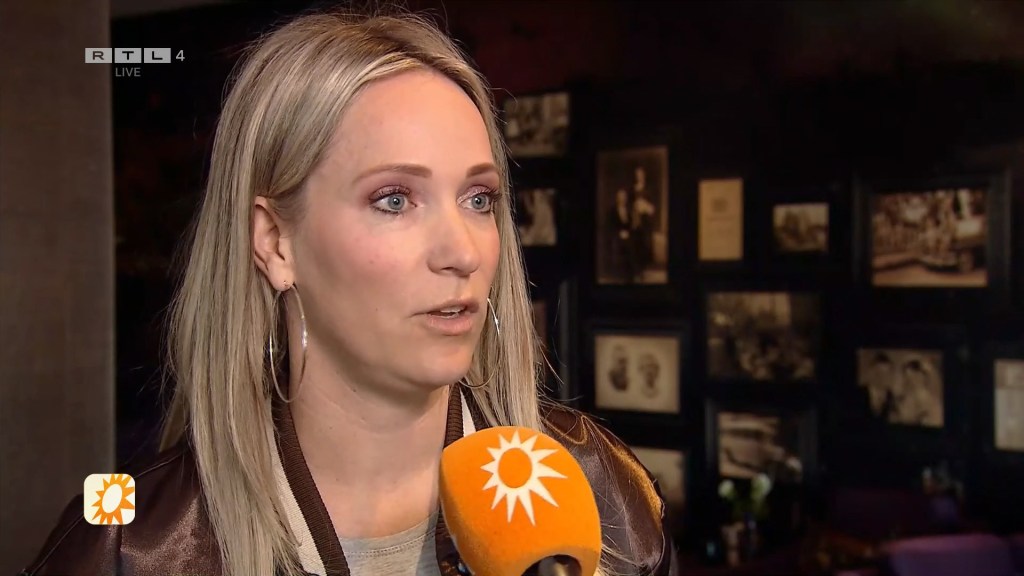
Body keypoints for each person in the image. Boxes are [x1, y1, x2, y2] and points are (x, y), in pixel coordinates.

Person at [21, 10, 676, 576]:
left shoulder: (598, 485)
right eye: (394, 199)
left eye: (478, 198)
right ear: (275, 242)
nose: (463, 252)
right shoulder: (128, 543)